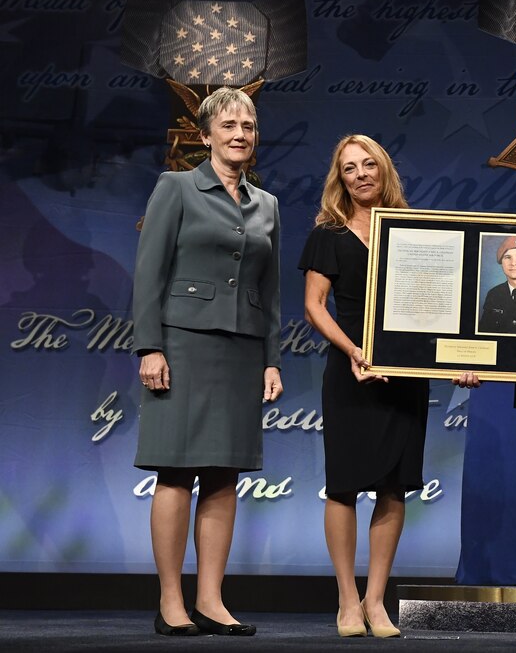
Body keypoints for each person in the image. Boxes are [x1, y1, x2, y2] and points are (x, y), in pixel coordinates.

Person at [133, 86, 282, 637]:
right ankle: (171, 601)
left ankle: (211, 601)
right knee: (175, 471)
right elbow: (149, 272)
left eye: (248, 125)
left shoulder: (267, 204)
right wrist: (149, 345)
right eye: (228, 126)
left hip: (243, 351)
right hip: (181, 344)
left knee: (224, 475)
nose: (239, 134)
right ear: (205, 135)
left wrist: (272, 360)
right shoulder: (176, 187)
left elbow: (271, 292)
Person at [298, 134, 431, 638]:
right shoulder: (327, 235)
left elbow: (436, 305)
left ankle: (377, 601)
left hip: (404, 377)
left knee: (393, 486)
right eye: (349, 167)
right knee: (344, 486)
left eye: (368, 164)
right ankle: (347, 601)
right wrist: (355, 350)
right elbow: (314, 307)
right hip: (351, 373)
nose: (360, 174)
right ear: (341, 178)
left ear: (384, 169)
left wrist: (458, 357)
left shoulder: (417, 230)